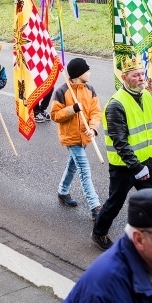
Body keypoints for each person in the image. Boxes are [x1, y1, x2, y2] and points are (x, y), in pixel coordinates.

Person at [91, 54, 152, 251]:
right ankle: (99, 233)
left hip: (147, 161)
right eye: (135, 75)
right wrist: (136, 167)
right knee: (115, 203)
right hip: (125, 167)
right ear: (124, 78)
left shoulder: (147, 96)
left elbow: (151, 128)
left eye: (142, 74)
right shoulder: (115, 105)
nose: (141, 78)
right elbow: (119, 141)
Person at [50, 58, 102, 220]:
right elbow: (55, 115)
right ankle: (95, 206)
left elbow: (96, 112)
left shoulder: (90, 89)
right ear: (79, 74)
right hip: (71, 138)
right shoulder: (61, 92)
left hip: (85, 136)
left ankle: (63, 191)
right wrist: (72, 109)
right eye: (87, 70)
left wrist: (93, 128)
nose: (90, 73)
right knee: (84, 170)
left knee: (72, 165)